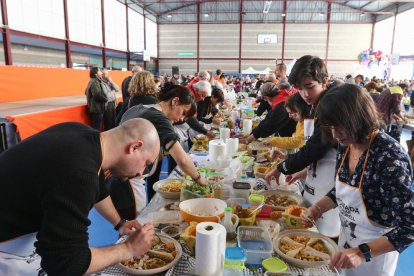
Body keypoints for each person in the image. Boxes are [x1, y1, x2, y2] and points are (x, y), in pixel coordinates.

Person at [0, 118, 160, 275]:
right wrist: (128, 249)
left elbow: (98, 187)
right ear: (135, 147)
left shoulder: (82, 133)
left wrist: (119, 223)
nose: (141, 172)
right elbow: (65, 263)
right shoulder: (79, 173)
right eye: (145, 163)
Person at [301, 84, 414, 276]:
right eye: (331, 127)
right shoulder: (347, 144)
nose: (335, 135)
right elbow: (342, 191)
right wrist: (317, 208)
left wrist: (362, 253)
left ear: (359, 118)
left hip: (375, 258)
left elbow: (409, 226)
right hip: (347, 244)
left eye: (340, 126)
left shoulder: (389, 158)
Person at [265, 55, 341, 239]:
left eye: (309, 87)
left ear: (325, 81)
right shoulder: (318, 105)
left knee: (323, 239)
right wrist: (304, 172)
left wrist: (282, 167)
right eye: (299, 89)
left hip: (330, 191)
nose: (305, 94)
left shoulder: (331, 106)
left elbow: (315, 147)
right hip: (318, 185)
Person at [121, 84, 208, 200]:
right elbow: (182, 159)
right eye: (183, 112)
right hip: (129, 180)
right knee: (136, 217)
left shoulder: (138, 108)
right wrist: (199, 178)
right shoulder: (159, 117)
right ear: (175, 101)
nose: (182, 119)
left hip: (116, 177)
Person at [85, 67, 108, 131]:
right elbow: (97, 95)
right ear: (96, 74)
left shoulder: (93, 81)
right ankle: (96, 140)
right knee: (96, 128)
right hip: (97, 108)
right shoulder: (95, 82)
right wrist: (106, 99)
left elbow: (86, 92)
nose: (101, 72)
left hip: (96, 108)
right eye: (99, 71)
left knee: (96, 126)